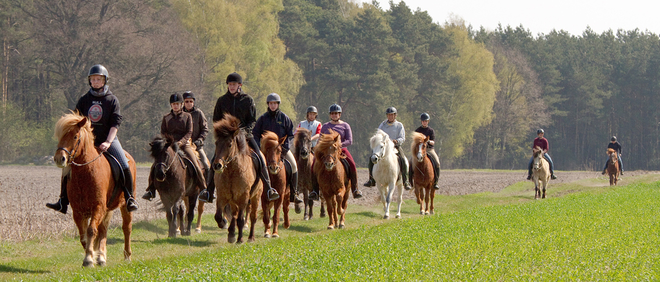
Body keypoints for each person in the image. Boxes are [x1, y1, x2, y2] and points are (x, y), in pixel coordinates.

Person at [47, 64, 139, 213]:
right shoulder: (84, 99)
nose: (96, 82)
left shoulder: (112, 100)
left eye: (99, 79)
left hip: (108, 139)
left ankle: (129, 198)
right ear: (90, 81)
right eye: (93, 79)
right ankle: (62, 201)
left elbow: (115, 124)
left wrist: (108, 142)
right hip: (86, 142)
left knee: (124, 163)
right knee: (67, 168)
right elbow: (76, 121)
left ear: (104, 81)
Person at [198, 72, 280, 202]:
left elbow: (252, 121)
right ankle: (209, 191)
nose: (231, 87)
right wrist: (222, 132)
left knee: (259, 156)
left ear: (239, 85)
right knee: (215, 159)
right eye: (230, 84)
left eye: (234, 84)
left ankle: (269, 189)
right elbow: (216, 119)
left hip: (244, 136)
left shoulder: (248, 100)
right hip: (226, 139)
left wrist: (243, 132)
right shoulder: (221, 101)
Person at [142, 93, 208, 201]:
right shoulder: (166, 118)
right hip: (169, 146)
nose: (175, 106)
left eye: (177, 104)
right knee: (156, 164)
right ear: (171, 105)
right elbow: (163, 132)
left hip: (184, 145)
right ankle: (151, 189)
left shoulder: (187, 116)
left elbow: (189, 132)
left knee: (195, 163)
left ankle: (203, 189)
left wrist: (181, 142)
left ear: (181, 105)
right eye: (173, 104)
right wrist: (167, 143)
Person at [253, 93, 303, 204]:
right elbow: (255, 133)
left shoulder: (284, 118)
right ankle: (251, 191)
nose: (273, 105)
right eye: (271, 103)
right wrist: (258, 146)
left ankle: (294, 193)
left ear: (278, 104)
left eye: (275, 103)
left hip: (281, 149)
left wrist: (285, 147)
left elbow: (290, 135)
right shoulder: (262, 119)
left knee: (294, 165)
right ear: (268, 104)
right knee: (254, 164)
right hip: (266, 150)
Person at [308, 104, 363, 201]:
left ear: (340, 114)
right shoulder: (325, 126)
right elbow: (320, 139)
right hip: (326, 151)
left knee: (352, 164)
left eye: (336, 113)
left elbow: (349, 140)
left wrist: (339, 144)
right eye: (332, 114)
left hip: (341, 149)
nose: (334, 115)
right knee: (313, 164)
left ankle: (355, 189)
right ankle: (315, 191)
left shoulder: (345, 125)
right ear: (330, 115)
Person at [363, 107, 412, 190]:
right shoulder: (383, 124)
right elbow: (378, 134)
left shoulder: (399, 125)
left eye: (392, 115)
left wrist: (397, 141)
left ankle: (406, 181)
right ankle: (371, 179)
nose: (390, 116)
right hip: (384, 147)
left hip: (395, 146)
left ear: (395, 115)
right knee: (371, 158)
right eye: (389, 115)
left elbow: (402, 137)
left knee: (403, 159)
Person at [411, 112, 440, 190]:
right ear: (421, 121)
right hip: (419, 150)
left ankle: (436, 182)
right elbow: (414, 141)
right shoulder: (417, 130)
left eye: (426, 121)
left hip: (429, 149)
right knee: (410, 162)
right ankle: (410, 182)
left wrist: (428, 141)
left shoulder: (431, 130)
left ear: (428, 121)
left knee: (437, 163)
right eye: (423, 121)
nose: (424, 122)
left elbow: (433, 142)